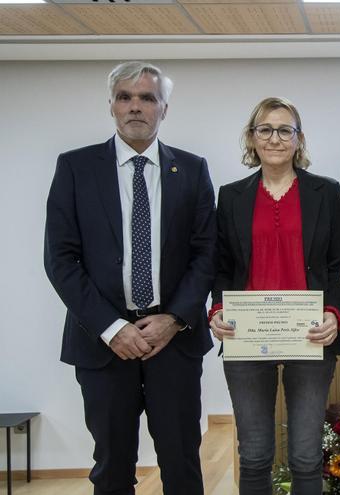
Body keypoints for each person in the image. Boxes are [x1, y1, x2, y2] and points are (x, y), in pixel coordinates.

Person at [44, 61, 215, 495]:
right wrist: (112, 327)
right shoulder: (75, 168)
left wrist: (174, 319)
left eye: (147, 98)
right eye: (125, 97)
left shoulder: (192, 170)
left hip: (173, 344)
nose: (135, 106)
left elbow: (206, 254)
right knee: (111, 466)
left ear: (164, 109)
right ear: (112, 107)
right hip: (102, 346)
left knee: (181, 463)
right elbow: (61, 260)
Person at [208, 97, 340, 494]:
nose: (274, 138)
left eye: (285, 130)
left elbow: (339, 261)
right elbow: (221, 266)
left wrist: (334, 314)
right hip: (247, 339)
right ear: (251, 138)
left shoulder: (325, 191)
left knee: (306, 455)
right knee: (253, 455)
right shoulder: (231, 196)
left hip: (311, 338)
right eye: (265, 129)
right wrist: (217, 308)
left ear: (298, 139)